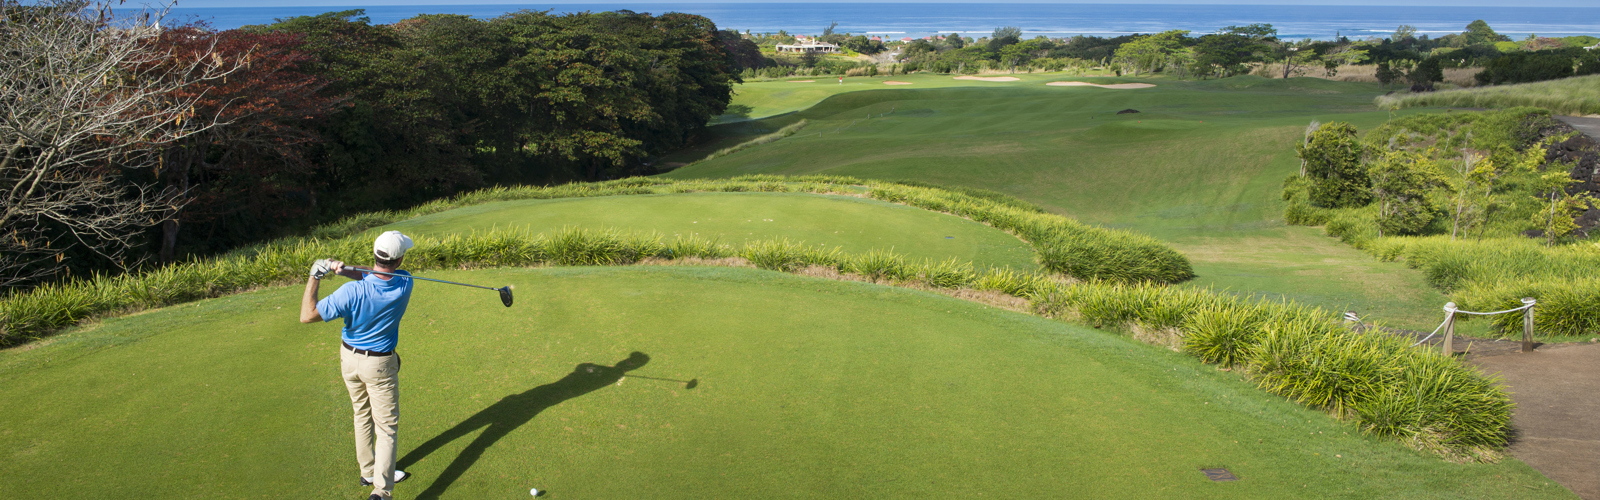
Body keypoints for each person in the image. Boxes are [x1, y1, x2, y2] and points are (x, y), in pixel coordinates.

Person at [300, 230, 417, 500]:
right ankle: (382, 491)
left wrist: (316, 275)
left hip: (349, 359)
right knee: (386, 428)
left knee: (361, 414)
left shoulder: (351, 292)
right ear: (399, 260)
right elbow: (375, 274)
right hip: (380, 364)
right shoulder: (405, 281)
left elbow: (308, 315)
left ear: (375, 253)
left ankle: (368, 472)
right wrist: (343, 270)